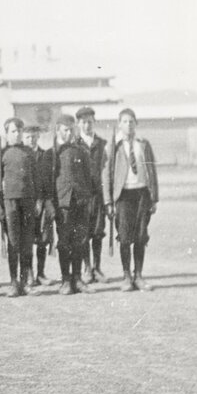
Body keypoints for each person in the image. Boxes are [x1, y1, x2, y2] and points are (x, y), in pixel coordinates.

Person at [103, 108, 159, 292]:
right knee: (125, 237)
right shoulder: (113, 146)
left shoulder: (143, 144)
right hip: (123, 196)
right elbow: (106, 175)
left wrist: (154, 197)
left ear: (136, 123)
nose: (128, 125)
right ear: (119, 124)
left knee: (141, 236)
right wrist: (108, 202)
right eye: (125, 121)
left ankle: (139, 275)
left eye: (131, 121)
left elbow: (152, 171)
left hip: (142, 194)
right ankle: (126, 276)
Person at [52, 115, 95, 295]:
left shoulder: (81, 152)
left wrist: (87, 199)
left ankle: (77, 278)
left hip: (80, 202)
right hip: (63, 204)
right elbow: (49, 181)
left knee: (80, 241)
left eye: (71, 129)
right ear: (58, 130)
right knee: (64, 242)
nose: (69, 133)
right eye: (65, 130)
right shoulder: (52, 153)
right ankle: (66, 280)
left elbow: (88, 178)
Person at [0, 118, 41, 297]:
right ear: (7, 134)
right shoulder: (1, 153)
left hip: (28, 201)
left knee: (26, 243)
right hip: (10, 202)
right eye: (13, 131)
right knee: (13, 243)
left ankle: (26, 282)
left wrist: (38, 200)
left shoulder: (29, 152)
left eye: (19, 131)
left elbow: (37, 178)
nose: (17, 134)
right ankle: (14, 282)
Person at [75, 106, 108, 283]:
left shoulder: (102, 144)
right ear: (78, 124)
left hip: (98, 195)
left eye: (90, 122)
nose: (87, 125)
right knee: (83, 233)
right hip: (81, 197)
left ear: (94, 123)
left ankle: (97, 267)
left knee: (97, 231)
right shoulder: (74, 144)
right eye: (84, 122)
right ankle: (86, 268)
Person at [23, 125, 55, 286]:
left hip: (42, 203)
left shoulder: (45, 155)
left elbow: (48, 180)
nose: (31, 140)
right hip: (26, 203)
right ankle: (29, 273)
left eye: (34, 137)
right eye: (28, 137)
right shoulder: (21, 155)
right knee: (27, 239)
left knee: (43, 240)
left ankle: (41, 273)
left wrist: (43, 201)